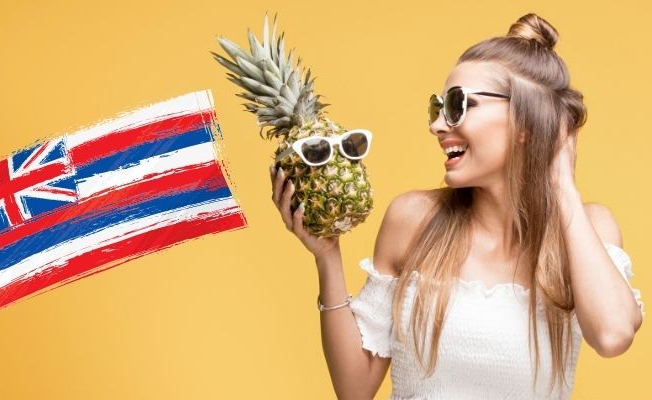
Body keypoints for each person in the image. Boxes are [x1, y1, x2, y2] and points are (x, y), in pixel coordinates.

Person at [268, 13, 644, 400]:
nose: (437, 125)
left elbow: (613, 336)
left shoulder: (589, 229)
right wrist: (327, 256)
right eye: (438, 107)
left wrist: (562, 183)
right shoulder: (413, 219)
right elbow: (355, 389)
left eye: (457, 104)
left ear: (527, 121)